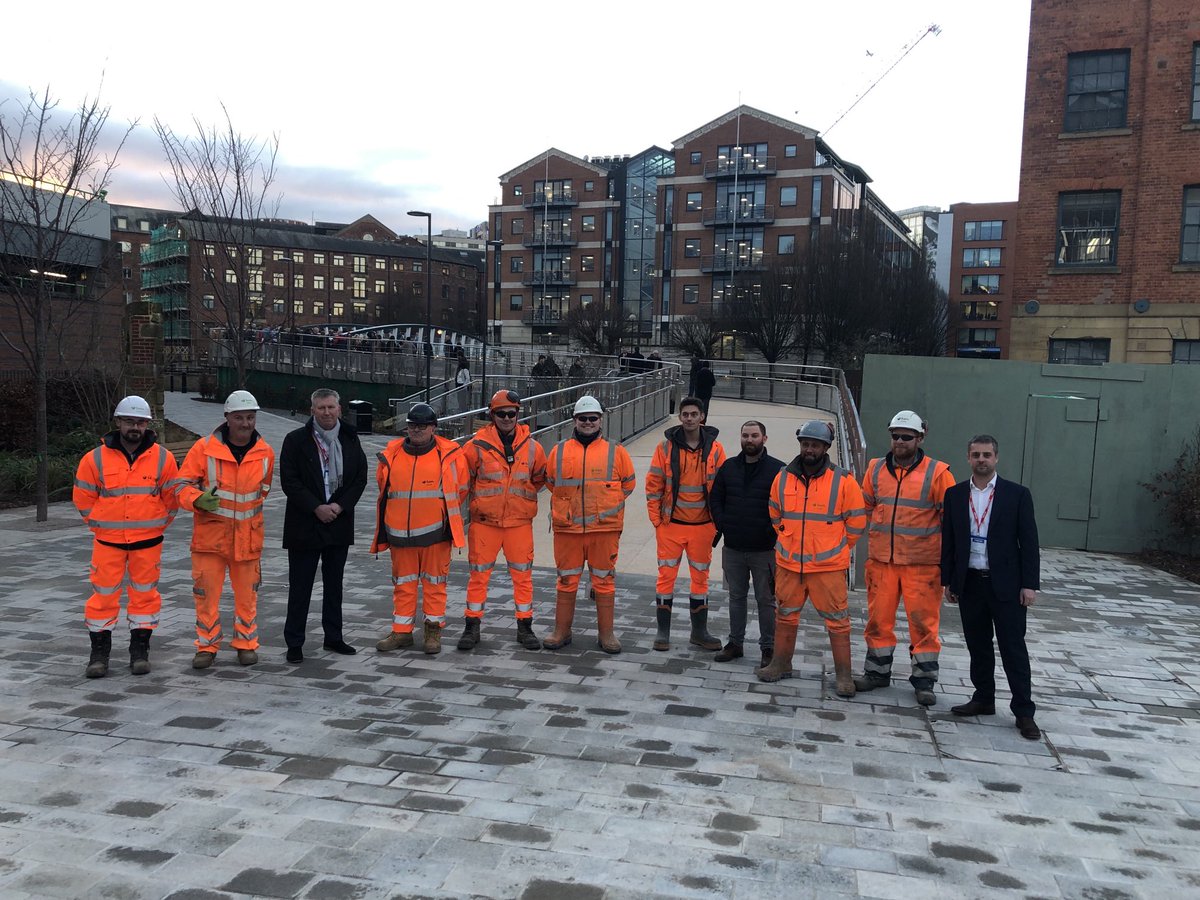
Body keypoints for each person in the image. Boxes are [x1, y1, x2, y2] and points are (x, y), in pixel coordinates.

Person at [942, 434, 1042, 740]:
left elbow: (1030, 543)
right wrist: (948, 579)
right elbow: (949, 541)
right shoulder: (955, 495)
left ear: (996, 458)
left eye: (987, 455)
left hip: (1007, 586)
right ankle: (983, 698)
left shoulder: (1017, 494)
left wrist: (1029, 584)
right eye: (976, 455)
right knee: (978, 645)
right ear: (968, 458)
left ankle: (1024, 712)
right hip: (970, 582)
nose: (981, 460)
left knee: (1013, 648)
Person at [755, 420, 866, 697]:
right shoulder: (783, 477)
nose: (809, 449)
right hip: (789, 565)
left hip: (827, 568)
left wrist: (836, 547)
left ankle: (843, 676)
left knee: (838, 621)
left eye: (815, 445)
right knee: (785, 615)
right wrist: (787, 537)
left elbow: (856, 523)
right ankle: (780, 664)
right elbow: (774, 513)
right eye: (805, 444)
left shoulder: (843, 481)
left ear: (826, 447)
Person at [72, 396, 180, 678]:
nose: (135, 426)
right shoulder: (94, 459)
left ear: (148, 425)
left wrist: (155, 527)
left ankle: (139, 652)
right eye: (130, 421)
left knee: (145, 597)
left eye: (141, 422)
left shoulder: (163, 458)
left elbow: (172, 500)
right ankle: (99, 655)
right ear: (118, 422)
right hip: (108, 542)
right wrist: (100, 525)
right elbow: (83, 498)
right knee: (103, 597)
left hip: (148, 542)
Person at [854, 410, 956, 706]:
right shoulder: (874, 469)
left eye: (907, 437)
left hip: (922, 566)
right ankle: (876, 673)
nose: (899, 441)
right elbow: (864, 507)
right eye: (895, 436)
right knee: (877, 622)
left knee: (924, 625)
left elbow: (951, 521)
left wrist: (949, 566)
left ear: (920, 438)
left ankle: (924, 681)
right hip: (882, 563)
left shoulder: (938, 473)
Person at [177, 390, 275, 669]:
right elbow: (180, 486)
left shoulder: (265, 452)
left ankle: (246, 644)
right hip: (210, 538)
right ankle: (206, 647)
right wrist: (197, 500)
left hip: (248, 538)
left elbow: (263, 490)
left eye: (250, 417)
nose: (245, 423)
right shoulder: (204, 449)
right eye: (239, 417)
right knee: (206, 596)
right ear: (227, 419)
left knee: (248, 596)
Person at [371, 402, 469, 655]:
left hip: (435, 535)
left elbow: (460, 490)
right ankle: (401, 632)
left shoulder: (449, 456)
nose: (416, 430)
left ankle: (432, 633)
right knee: (403, 585)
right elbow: (384, 488)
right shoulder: (391, 454)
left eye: (422, 426)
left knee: (435, 585)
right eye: (412, 425)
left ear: (433, 428)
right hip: (400, 536)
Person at [279, 389, 368, 664]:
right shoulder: (295, 440)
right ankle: (295, 642)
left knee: (334, 585)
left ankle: (334, 637)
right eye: (321, 408)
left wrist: (339, 507)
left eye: (331, 407)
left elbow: (360, 478)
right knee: (301, 586)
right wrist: (316, 507)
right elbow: (289, 481)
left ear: (340, 409)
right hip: (305, 522)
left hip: (338, 521)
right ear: (312, 410)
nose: (327, 412)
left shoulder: (350, 438)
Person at [543, 395, 636, 654]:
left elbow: (628, 484)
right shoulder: (559, 450)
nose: (587, 422)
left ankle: (606, 634)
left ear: (600, 421)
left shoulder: (616, 451)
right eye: (582, 418)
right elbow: (551, 482)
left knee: (604, 581)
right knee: (566, 580)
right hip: (568, 529)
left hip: (603, 529)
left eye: (592, 418)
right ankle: (562, 631)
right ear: (574, 420)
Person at [457, 390, 547, 651]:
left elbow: (540, 477)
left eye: (512, 413)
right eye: (501, 414)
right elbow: (463, 481)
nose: (507, 418)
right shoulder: (475, 447)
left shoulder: (532, 447)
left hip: (519, 523)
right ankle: (472, 627)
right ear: (491, 415)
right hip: (485, 522)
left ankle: (525, 626)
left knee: (523, 577)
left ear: (518, 414)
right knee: (478, 576)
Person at [645, 397, 727, 651]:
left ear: (702, 417)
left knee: (700, 578)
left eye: (694, 414)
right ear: (679, 417)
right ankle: (663, 632)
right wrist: (656, 520)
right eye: (685, 414)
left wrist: (718, 523)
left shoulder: (715, 449)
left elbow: (723, 486)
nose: (689, 418)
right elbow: (653, 484)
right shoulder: (665, 447)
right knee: (665, 577)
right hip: (671, 525)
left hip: (703, 526)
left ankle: (699, 632)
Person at [709, 420, 785, 667]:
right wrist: (723, 523)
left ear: (764, 438)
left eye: (754, 435)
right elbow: (716, 498)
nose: (749, 440)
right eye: (745, 435)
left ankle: (769, 648)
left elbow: (785, 506)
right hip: (733, 547)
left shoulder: (777, 470)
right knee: (736, 597)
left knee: (766, 600)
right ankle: (735, 644)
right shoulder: (729, 467)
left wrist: (771, 532)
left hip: (765, 550)